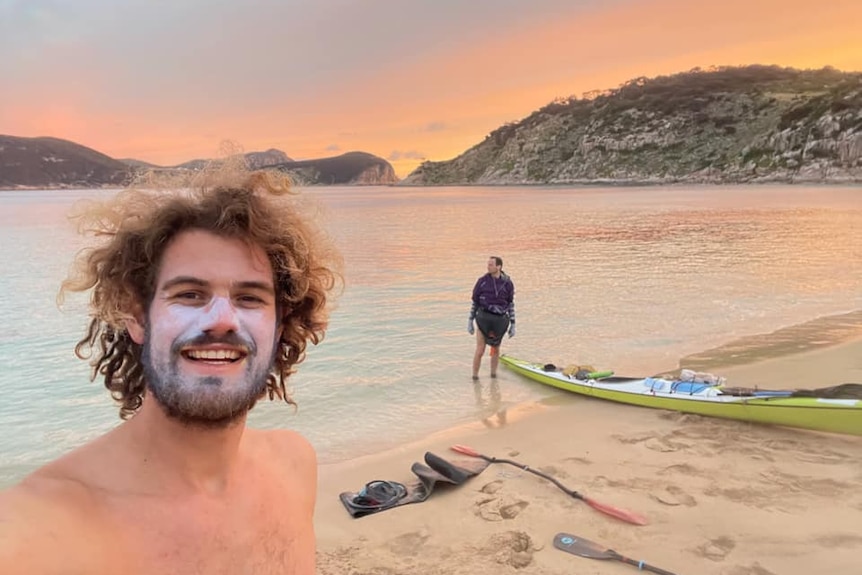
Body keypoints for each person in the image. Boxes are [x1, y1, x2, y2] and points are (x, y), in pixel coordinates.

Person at [0, 162, 342, 575]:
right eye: (190, 294)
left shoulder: (295, 466)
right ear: (137, 317)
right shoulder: (35, 531)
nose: (222, 319)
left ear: (280, 324)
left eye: (250, 298)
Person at [467, 256, 515, 380]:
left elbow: (510, 304)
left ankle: (493, 376)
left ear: (499, 267)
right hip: (484, 317)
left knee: (496, 348)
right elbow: (475, 302)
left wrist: (513, 324)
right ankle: (474, 377)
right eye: (488, 264)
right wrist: (470, 321)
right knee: (480, 349)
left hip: (500, 319)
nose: (488, 267)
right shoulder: (482, 281)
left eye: (491, 265)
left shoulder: (507, 283)